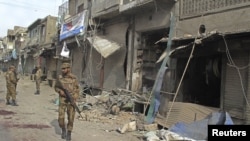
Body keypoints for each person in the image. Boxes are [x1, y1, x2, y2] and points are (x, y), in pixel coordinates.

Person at [54, 62, 80, 141]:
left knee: (71, 118)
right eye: (62, 68)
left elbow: (77, 89)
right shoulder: (60, 78)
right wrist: (60, 91)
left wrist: (74, 97)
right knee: (60, 118)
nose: (63, 70)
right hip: (62, 100)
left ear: (69, 69)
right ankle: (63, 129)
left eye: (65, 68)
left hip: (71, 101)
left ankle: (69, 133)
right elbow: (56, 87)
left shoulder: (74, 78)